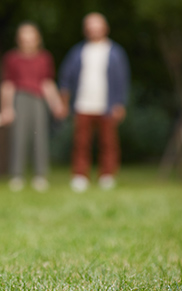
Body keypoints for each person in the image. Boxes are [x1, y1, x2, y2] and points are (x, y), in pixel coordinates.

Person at [59, 12, 130, 192]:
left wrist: (120, 103)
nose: (94, 29)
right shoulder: (77, 52)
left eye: (97, 25)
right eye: (90, 26)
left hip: (107, 105)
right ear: (86, 30)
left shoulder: (115, 52)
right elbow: (66, 79)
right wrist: (65, 102)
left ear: (105, 28)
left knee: (108, 142)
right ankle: (80, 176)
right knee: (81, 142)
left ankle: (107, 175)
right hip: (82, 104)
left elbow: (123, 80)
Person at [0, 22, 65, 192]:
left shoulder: (45, 58)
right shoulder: (12, 58)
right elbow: (8, 84)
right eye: (24, 38)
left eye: (31, 38)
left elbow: (47, 83)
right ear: (19, 40)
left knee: (40, 137)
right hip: (19, 98)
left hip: (39, 100)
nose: (28, 42)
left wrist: (56, 104)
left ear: (37, 40)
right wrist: (6, 107)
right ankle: (17, 176)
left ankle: (40, 176)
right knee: (18, 137)